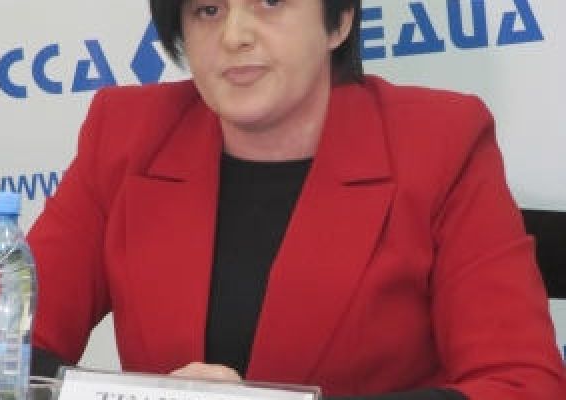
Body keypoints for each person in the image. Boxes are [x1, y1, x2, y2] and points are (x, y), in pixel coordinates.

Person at [28, 0, 565, 399]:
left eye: (270, 2)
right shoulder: (126, 135)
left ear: (339, 22)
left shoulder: (440, 144)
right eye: (208, 10)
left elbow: (522, 384)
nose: (235, 36)